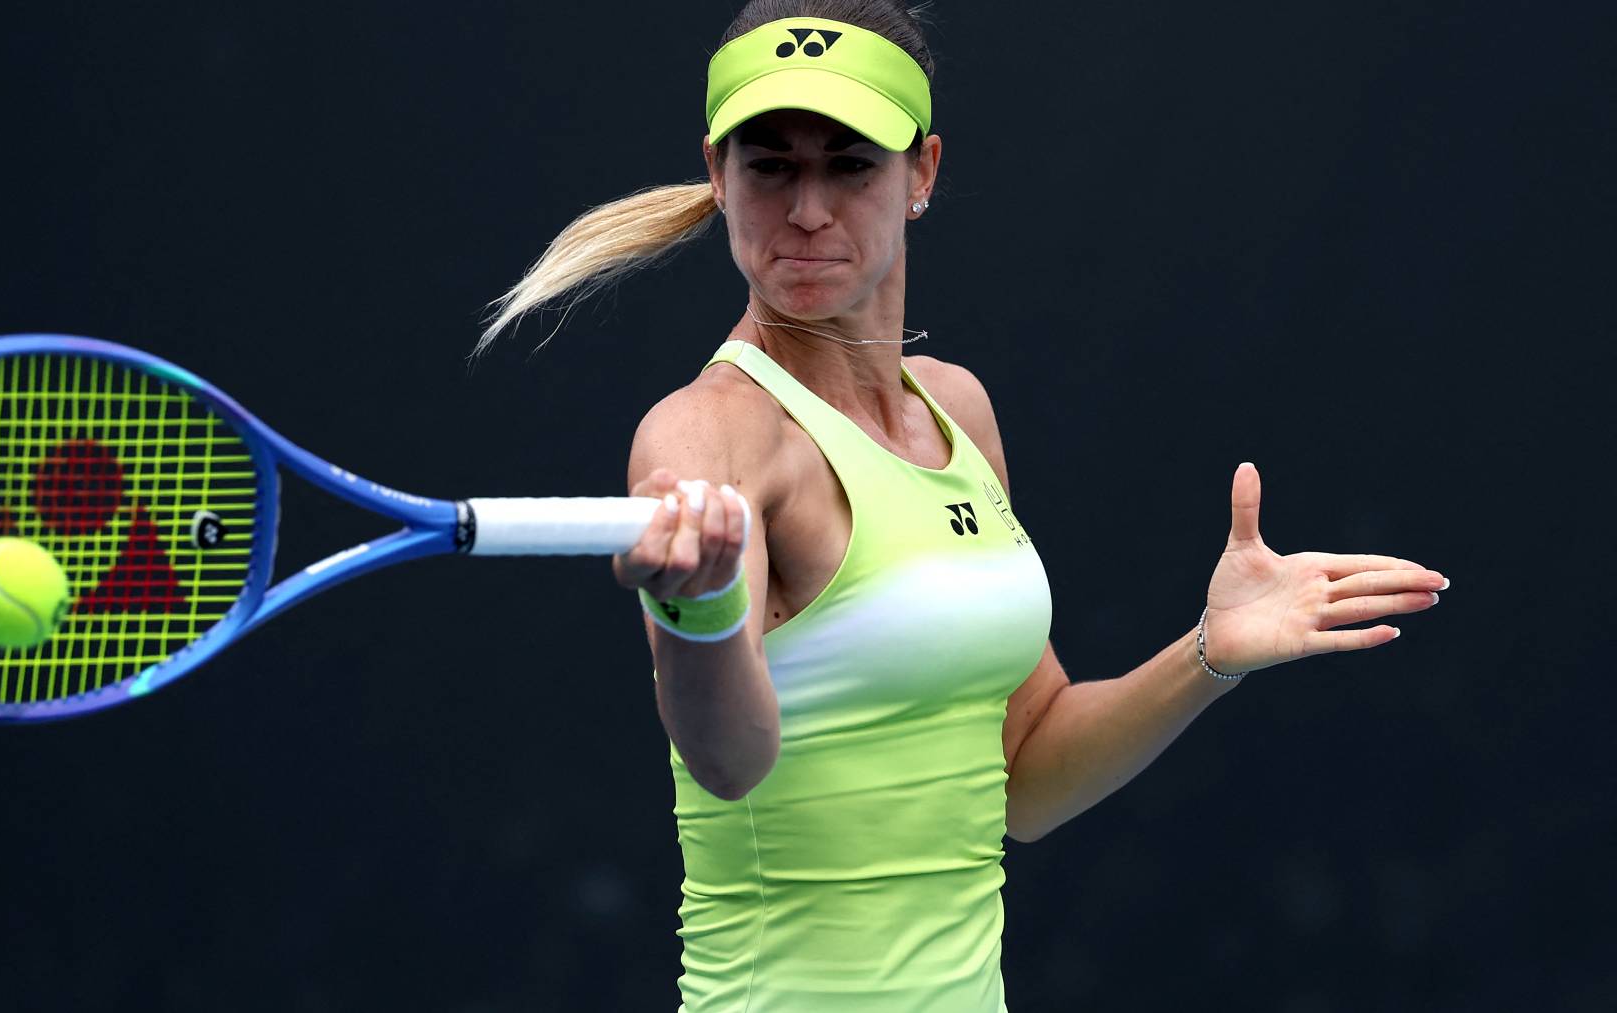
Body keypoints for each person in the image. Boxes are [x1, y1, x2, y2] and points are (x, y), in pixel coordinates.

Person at [474, 3, 1448, 1009]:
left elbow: (1026, 770)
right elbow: (728, 761)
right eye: (770, 165)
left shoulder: (960, 412)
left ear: (922, 173)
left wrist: (1207, 652)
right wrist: (698, 610)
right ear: (719, 175)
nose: (808, 208)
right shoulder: (707, 436)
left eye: (851, 164)